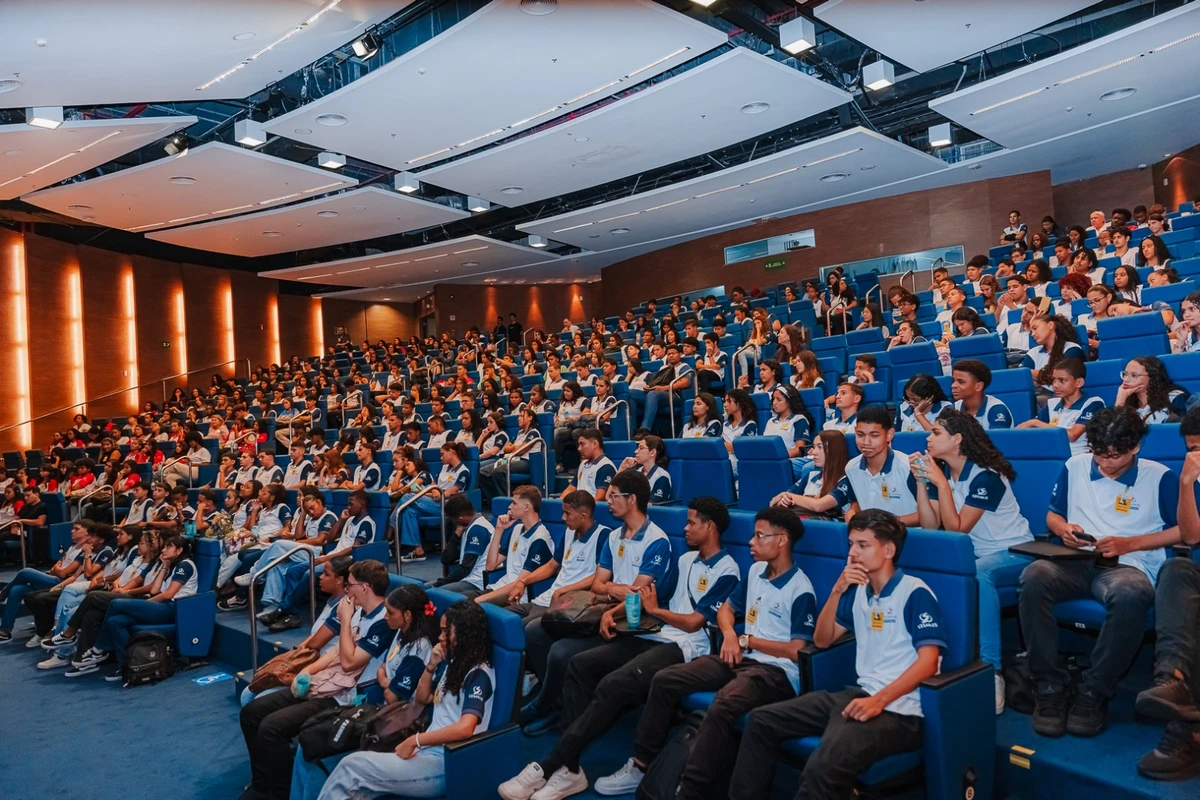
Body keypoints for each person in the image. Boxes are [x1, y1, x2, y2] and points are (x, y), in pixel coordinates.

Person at [498, 490, 739, 800]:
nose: (685, 529)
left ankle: (552, 763)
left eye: (691, 523)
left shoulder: (728, 569)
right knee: (581, 664)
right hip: (657, 635)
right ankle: (570, 768)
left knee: (614, 684)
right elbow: (647, 594)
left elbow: (694, 621)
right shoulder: (685, 558)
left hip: (687, 647)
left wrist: (655, 612)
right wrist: (612, 613)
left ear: (710, 527)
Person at [593, 507, 815, 798]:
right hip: (740, 658)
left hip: (776, 672)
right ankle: (642, 764)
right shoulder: (756, 571)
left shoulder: (801, 588)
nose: (751, 542)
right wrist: (730, 635)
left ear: (782, 540)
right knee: (665, 679)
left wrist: (747, 640)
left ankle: (690, 789)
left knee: (723, 703)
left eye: (759, 536)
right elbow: (726, 610)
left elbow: (796, 650)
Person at [726, 509, 944, 800]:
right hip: (857, 693)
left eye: (863, 545)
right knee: (761, 721)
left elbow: (929, 662)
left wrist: (878, 701)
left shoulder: (915, 592)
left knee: (823, 765)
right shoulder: (856, 592)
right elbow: (823, 639)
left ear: (888, 550)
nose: (853, 552)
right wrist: (838, 590)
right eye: (851, 544)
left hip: (900, 711)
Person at [1021, 407, 1179, 738]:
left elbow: (1185, 532)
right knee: (1034, 576)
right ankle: (1048, 685)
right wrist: (1063, 529)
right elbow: (1052, 516)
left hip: (1128, 565)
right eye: (1099, 454)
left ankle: (1094, 691)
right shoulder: (1074, 465)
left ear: (1135, 447)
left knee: (1128, 594)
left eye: (1115, 456)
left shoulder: (1160, 476)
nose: (1105, 463)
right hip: (1075, 560)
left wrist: (1130, 544)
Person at [910, 409, 1033, 713]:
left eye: (936, 432)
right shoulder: (942, 472)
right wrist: (924, 484)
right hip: (976, 553)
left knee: (979, 573)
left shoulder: (986, 475)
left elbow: (957, 528)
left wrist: (939, 484)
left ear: (957, 439)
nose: (928, 437)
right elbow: (930, 525)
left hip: (1016, 551)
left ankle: (992, 672)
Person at [239, 560, 393, 800]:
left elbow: (350, 662)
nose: (347, 589)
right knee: (251, 712)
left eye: (350, 584)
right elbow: (332, 653)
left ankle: (281, 793)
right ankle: (262, 784)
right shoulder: (357, 610)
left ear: (364, 587)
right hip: (326, 681)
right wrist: (307, 671)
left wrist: (344, 619)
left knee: (271, 728)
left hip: (345, 696)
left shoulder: (384, 621)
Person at [314, 600, 496, 800]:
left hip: (446, 762)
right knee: (359, 790)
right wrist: (431, 666)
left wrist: (415, 740)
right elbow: (422, 698)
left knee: (351, 768)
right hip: (427, 752)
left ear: (464, 635)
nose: (440, 637)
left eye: (446, 632)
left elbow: (465, 728)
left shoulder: (479, 674)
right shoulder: (455, 663)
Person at [1134, 408, 1200, 780]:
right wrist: (1188, 485)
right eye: (1193, 449)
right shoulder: (1191, 477)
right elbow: (1190, 537)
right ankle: (1171, 680)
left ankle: (1186, 733)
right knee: (1175, 569)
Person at [520, 490, 610, 730]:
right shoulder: (570, 533)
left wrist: (566, 589)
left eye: (567, 513)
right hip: (549, 597)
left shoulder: (604, 536)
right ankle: (542, 686)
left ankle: (553, 701)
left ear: (583, 515)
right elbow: (552, 566)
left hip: (574, 604)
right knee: (507, 621)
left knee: (530, 629)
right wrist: (522, 582)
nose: (562, 518)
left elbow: (599, 577)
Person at [835, 405, 919, 526]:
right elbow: (856, 502)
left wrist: (885, 524)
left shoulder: (908, 466)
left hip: (908, 537)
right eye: (860, 435)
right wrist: (853, 513)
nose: (866, 442)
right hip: (870, 537)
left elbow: (929, 516)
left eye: (874, 435)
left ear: (889, 434)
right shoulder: (851, 467)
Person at [475, 485, 557, 609]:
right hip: (498, 587)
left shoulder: (540, 539)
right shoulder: (517, 529)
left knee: (470, 607)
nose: (509, 507)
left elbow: (519, 583)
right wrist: (499, 529)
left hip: (515, 595)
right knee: (460, 602)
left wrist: (480, 600)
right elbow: (490, 566)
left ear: (526, 507)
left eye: (514, 503)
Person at [397, 442, 470, 562]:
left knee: (407, 497)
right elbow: (435, 484)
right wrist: (433, 489)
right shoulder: (445, 467)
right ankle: (418, 551)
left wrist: (426, 493)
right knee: (408, 511)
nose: (440, 458)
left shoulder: (463, 471)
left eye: (442, 454)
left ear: (452, 452)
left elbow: (449, 493)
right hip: (434, 500)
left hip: (448, 504)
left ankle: (391, 528)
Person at [1019, 359, 1105, 455]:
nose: (1055, 385)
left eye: (1062, 380)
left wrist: (1035, 422)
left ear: (1079, 382)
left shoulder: (1093, 403)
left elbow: (1072, 435)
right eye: (1054, 380)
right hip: (1051, 455)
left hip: (1078, 456)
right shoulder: (1052, 404)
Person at [771, 430, 850, 517]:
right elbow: (774, 501)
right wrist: (783, 499)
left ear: (835, 450)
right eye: (814, 447)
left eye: (819, 447)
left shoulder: (846, 480)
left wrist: (788, 496)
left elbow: (819, 506)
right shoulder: (811, 475)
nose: (813, 452)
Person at [636, 344, 694, 435]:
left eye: (673, 353)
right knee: (630, 394)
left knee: (653, 394)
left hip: (674, 395)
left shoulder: (683, 366)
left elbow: (685, 383)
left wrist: (663, 388)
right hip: (658, 394)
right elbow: (657, 381)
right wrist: (649, 386)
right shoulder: (663, 368)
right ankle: (631, 430)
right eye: (669, 354)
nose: (671, 355)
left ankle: (645, 429)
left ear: (679, 354)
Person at [1117, 356, 1186, 424]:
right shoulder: (1126, 401)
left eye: (1134, 375)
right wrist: (1120, 400)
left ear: (1152, 378)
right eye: (1125, 374)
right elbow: (1114, 432)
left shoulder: (1174, 397)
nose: (1126, 379)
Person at [1022, 314, 1085, 389]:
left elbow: (1061, 377)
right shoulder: (1032, 353)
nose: (1032, 334)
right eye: (1031, 331)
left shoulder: (1072, 349)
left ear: (1050, 325)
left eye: (1035, 328)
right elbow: (1022, 378)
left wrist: (1030, 373)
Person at [951, 359, 1013, 429]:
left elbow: (997, 439)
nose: (953, 385)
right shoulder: (952, 409)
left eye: (961, 382)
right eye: (953, 381)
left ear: (978, 386)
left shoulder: (996, 410)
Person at [559, 429, 615, 503]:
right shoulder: (582, 464)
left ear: (594, 444)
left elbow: (600, 498)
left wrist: (578, 508)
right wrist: (559, 502)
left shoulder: (605, 466)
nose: (579, 448)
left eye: (582, 444)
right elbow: (571, 488)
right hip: (579, 507)